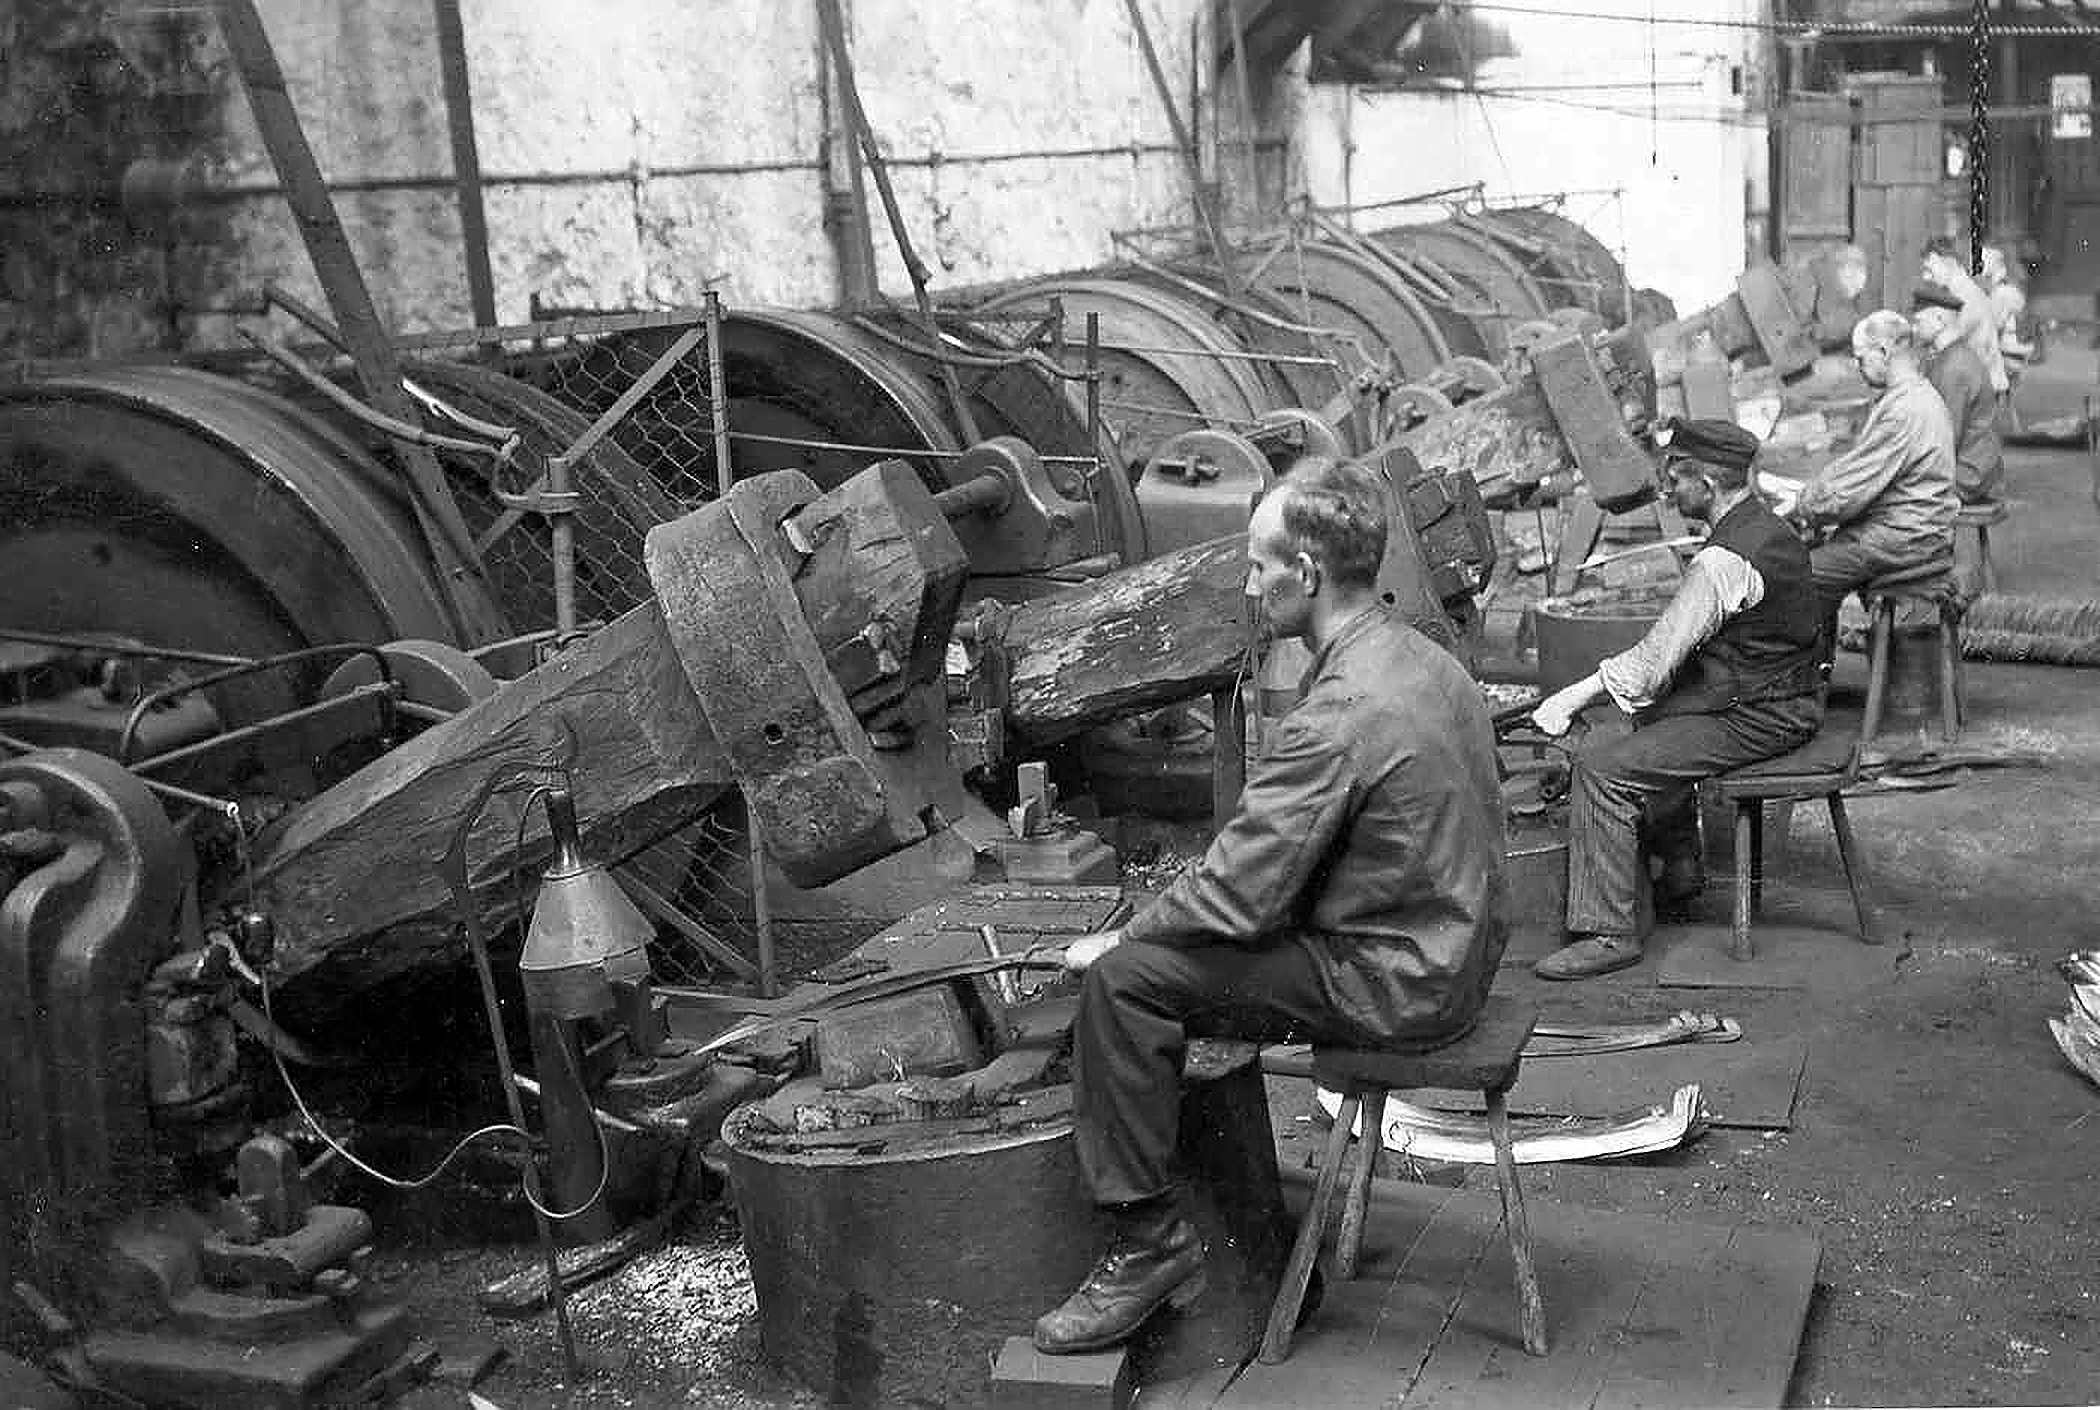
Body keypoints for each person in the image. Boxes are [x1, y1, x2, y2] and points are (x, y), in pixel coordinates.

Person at [1032, 457, 1510, 1354]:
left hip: (1400, 984)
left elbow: (1238, 894)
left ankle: (1150, 1241)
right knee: (1190, 960)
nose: (1249, 586)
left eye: (1258, 566)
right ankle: (1250, 1217)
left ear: (1308, 574)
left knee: (1131, 987)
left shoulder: (1340, 709)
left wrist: (1120, 937)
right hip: (1454, 954)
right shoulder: (1424, 659)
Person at [1527, 419, 1825, 981]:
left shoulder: (1722, 561)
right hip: (1780, 693)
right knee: (1651, 719)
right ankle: (1681, 871)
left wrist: (1570, 696)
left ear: (1708, 485)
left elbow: (1647, 667)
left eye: (1676, 480)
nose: (1667, 490)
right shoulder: (1766, 525)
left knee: (1601, 768)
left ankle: (1607, 933)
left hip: (1768, 713)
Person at [1792, 311, 1959, 627]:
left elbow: (1849, 493)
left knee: (1796, 575)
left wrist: (1803, 504)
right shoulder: (1920, 396)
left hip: (1903, 539)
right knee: (1823, 547)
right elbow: (1861, 471)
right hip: (1920, 529)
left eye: (1860, 358)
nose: (1858, 366)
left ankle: (1807, 673)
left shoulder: (1902, 411)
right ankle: (1817, 667)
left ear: (1883, 352)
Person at [1912, 285, 2005, 504]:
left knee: (1883, 497)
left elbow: (1945, 437)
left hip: (1967, 475)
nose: (1915, 329)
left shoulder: (1954, 367)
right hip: (1971, 465)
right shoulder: (1952, 356)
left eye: (1918, 322)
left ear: (1938, 320)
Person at [1919, 235, 2010, 398]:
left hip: (1982, 384)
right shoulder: (1958, 291)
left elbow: (1948, 340)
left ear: (1948, 262)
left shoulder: (1967, 294)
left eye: (1929, 270)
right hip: (1970, 375)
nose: (1926, 277)